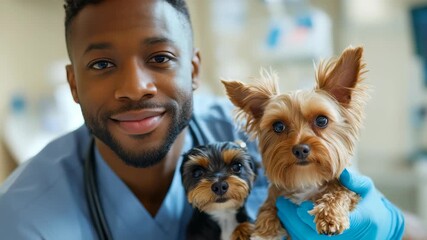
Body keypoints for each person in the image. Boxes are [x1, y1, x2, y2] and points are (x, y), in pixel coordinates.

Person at [0, 0, 404, 239]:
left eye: (159, 58)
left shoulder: (240, 131)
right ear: (73, 83)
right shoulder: (24, 218)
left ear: (194, 71)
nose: (135, 87)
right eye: (102, 63)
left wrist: (390, 225)